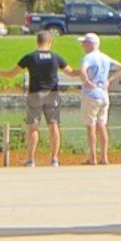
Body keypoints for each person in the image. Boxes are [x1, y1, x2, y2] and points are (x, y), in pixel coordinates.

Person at [16, 26, 71, 167]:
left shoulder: (30, 57)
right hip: (52, 94)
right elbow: (71, 72)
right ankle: (54, 159)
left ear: (37, 41)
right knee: (53, 125)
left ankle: (31, 159)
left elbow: (12, 73)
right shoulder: (55, 57)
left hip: (35, 93)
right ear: (50, 42)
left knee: (33, 127)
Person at [79, 35, 121, 166]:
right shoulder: (105, 57)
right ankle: (104, 156)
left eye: (84, 43)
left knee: (90, 125)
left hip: (91, 94)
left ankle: (93, 157)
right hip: (104, 94)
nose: (82, 46)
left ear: (90, 44)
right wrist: (109, 80)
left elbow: (82, 70)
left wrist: (86, 81)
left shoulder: (88, 57)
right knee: (102, 125)